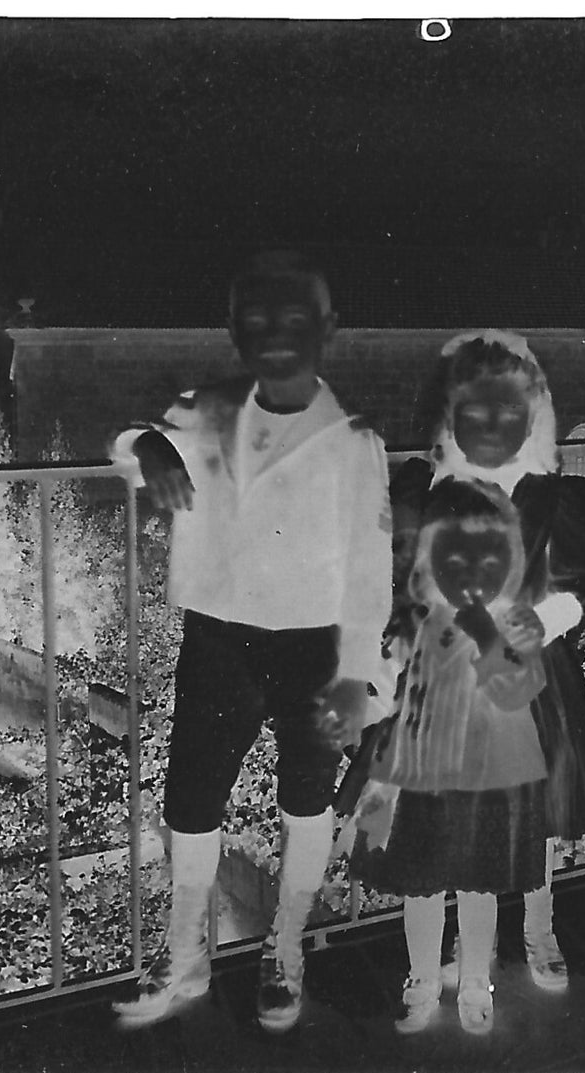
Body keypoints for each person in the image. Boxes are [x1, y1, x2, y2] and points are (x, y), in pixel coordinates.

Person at [109, 251, 392, 1033]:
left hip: (315, 649)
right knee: (192, 801)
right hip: (218, 639)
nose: (276, 337)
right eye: (258, 322)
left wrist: (357, 678)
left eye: (296, 322)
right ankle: (185, 951)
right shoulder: (203, 409)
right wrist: (147, 447)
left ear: (327, 329)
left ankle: (286, 948)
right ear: (234, 330)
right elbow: (126, 441)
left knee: (306, 801)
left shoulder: (351, 439)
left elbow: (370, 572)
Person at [388, 329, 585, 993]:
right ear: (450, 415)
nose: (492, 427)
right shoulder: (426, 487)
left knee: (533, 808)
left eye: (509, 413)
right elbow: (398, 580)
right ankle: (453, 952)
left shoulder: (556, 494)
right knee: (453, 813)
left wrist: (547, 617)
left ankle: (537, 927)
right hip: (448, 681)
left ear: (533, 416)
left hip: (532, 677)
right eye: (475, 413)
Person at [348, 481, 550, 1035]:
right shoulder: (415, 621)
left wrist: (489, 641)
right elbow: (384, 691)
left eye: (488, 559)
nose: (472, 573)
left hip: (486, 783)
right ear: (431, 561)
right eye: (455, 559)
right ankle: (421, 979)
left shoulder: (514, 623)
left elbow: (519, 689)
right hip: (421, 779)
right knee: (422, 884)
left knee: (478, 885)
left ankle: (477, 981)